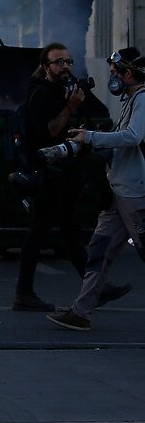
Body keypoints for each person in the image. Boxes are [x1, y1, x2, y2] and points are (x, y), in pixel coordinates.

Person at [12, 42, 130, 312]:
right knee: (41, 232)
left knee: (69, 232)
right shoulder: (41, 93)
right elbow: (48, 133)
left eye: (68, 62)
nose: (65, 67)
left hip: (62, 173)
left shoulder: (60, 91)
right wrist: (69, 108)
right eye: (59, 62)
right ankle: (24, 292)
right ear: (46, 67)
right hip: (46, 172)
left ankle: (94, 287)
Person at [47, 48, 145, 331]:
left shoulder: (142, 99)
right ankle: (81, 312)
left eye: (116, 72)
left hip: (135, 194)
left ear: (129, 73)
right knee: (99, 252)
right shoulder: (131, 100)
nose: (113, 77)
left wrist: (92, 137)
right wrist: (89, 145)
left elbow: (133, 137)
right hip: (119, 191)